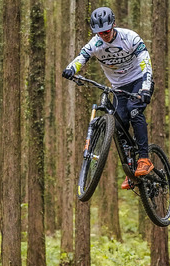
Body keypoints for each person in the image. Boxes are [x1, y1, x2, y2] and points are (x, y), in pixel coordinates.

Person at [62, 6, 153, 189]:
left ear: (113, 25)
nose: (103, 35)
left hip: (139, 80)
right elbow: (82, 57)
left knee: (134, 111)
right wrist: (72, 68)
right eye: (99, 32)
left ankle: (144, 158)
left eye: (106, 31)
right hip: (118, 87)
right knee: (119, 126)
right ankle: (131, 170)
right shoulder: (95, 44)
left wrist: (145, 87)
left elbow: (145, 62)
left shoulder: (130, 38)